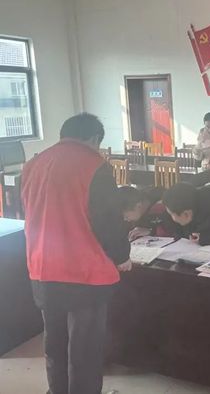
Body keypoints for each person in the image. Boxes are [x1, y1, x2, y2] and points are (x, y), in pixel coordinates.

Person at [21, 113, 131, 394]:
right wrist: (121, 256)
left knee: (55, 342)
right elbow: (108, 221)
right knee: (85, 349)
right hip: (84, 273)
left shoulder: (33, 164)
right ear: (94, 138)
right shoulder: (95, 166)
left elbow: (31, 211)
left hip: (42, 267)